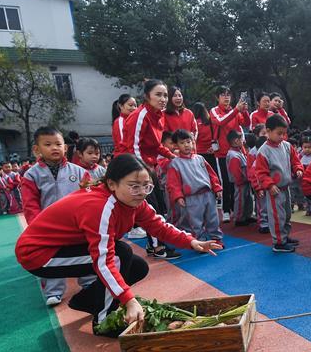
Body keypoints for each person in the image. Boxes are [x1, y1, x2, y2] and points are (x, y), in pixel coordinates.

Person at [15, 154, 220, 333]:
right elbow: (103, 261)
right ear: (112, 184)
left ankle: (88, 300)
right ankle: (104, 321)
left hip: (63, 247)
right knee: (119, 255)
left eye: (146, 186)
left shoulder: (133, 201)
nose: (141, 192)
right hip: (38, 255)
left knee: (137, 265)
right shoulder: (100, 207)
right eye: (134, 186)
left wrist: (192, 242)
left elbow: (158, 225)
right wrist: (129, 300)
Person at [20, 126, 90, 306]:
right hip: (49, 227)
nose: (54, 148)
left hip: (75, 224)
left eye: (58, 144)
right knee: (52, 255)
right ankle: (54, 291)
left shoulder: (78, 171)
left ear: (65, 147)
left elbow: (89, 197)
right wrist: (37, 227)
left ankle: (89, 282)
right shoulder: (32, 175)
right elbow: (30, 205)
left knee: (86, 249)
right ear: (37, 149)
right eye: (48, 144)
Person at [116, 79, 180, 259]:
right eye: (158, 94)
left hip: (147, 166)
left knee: (158, 206)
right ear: (147, 96)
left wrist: (171, 155)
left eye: (165, 95)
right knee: (152, 209)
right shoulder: (141, 115)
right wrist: (142, 173)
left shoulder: (159, 115)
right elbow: (132, 146)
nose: (163, 99)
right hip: (135, 167)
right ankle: (158, 247)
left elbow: (155, 144)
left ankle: (153, 244)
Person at [253, 115, 304, 253]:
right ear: (268, 131)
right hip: (274, 190)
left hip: (286, 187)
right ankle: (278, 242)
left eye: (284, 133)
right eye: (279, 133)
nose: (282, 136)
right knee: (277, 216)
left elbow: (295, 160)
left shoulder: (287, 146)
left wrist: (298, 169)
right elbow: (261, 172)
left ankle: (285, 236)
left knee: (287, 214)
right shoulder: (263, 151)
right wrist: (269, 185)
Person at [166, 129, 223, 245]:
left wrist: (217, 188)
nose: (186, 145)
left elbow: (212, 175)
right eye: (182, 143)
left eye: (188, 142)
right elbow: (173, 184)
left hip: (208, 194)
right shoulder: (175, 163)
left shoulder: (200, 159)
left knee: (213, 218)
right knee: (195, 222)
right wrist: (178, 197)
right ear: (176, 145)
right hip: (191, 197)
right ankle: (200, 241)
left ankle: (216, 238)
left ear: (193, 142)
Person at [211, 88, 251, 223]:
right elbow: (220, 121)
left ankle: (239, 210)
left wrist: (244, 111)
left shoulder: (235, 111)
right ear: (217, 97)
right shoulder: (214, 111)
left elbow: (246, 123)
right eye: (223, 95)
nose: (226, 97)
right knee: (226, 182)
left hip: (238, 151)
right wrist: (236, 111)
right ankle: (226, 210)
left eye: (228, 94)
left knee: (241, 181)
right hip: (222, 152)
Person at [226, 130, 254, 226]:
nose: (243, 141)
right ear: (236, 141)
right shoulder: (233, 155)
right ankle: (239, 218)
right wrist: (240, 180)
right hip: (241, 182)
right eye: (241, 139)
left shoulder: (239, 151)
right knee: (240, 200)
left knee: (248, 199)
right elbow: (236, 171)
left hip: (245, 181)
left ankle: (247, 215)